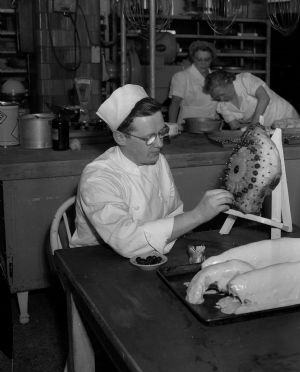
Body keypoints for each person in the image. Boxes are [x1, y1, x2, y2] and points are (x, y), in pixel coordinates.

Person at [72, 84, 234, 258]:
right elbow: (127, 241)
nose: (159, 144)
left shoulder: (157, 160)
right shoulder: (98, 179)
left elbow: (173, 211)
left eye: (162, 132)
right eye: (149, 138)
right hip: (95, 259)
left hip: (151, 254)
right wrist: (199, 214)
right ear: (120, 137)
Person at [204, 69, 300, 129]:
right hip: (267, 129)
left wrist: (253, 125)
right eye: (217, 97)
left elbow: (264, 98)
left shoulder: (245, 80)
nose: (221, 98)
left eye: (222, 94)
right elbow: (235, 126)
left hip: (284, 115)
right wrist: (249, 128)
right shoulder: (222, 106)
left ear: (227, 81)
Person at [168, 41, 219, 126]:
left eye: (207, 59)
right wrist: (172, 128)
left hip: (212, 125)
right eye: (199, 59)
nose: (203, 63)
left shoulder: (216, 78)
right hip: (187, 127)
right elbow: (175, 104)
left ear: (212, 59)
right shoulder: (181, 77)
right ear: (193, 58)